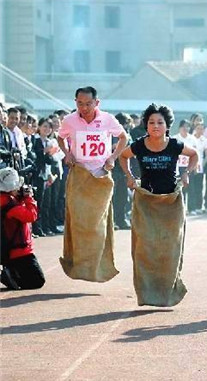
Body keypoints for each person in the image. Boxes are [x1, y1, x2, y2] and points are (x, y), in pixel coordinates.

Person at [119, 103, 198, 307]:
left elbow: (194, 155)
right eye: (151, 122)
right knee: (145, 247)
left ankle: (167, 291)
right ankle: (146, 293)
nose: (155, 126)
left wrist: (186, 173)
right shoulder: (139, 145)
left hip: (170, 202)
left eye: (160, 122)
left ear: (167, 125)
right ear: (146, 125)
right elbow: (123, 156)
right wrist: (129, 176)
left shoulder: (174, 145)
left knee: (169, 247)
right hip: (146, 201)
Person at [57, 87, 128, 283]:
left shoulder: (107, 120)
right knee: (78, 222)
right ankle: (78, 264)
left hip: (100, 176)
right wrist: (67, 153)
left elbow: (123, 137)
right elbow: (60, 137)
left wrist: (113, 158)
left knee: (98, 225)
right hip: (79, 174)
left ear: (97, 103)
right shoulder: (69, 120)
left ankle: (99, 267)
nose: (84, 107)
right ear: (75, 102)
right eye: (80, 103)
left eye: (88, 103)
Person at [0, 167, 45, 290]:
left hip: (11, 249)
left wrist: (21, 198)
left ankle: (12, 271)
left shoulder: (7, 199)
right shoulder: (8, 203)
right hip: (18, 251)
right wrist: (29, 198)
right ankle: (12, 274)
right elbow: (31, 216)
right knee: (37, 281)